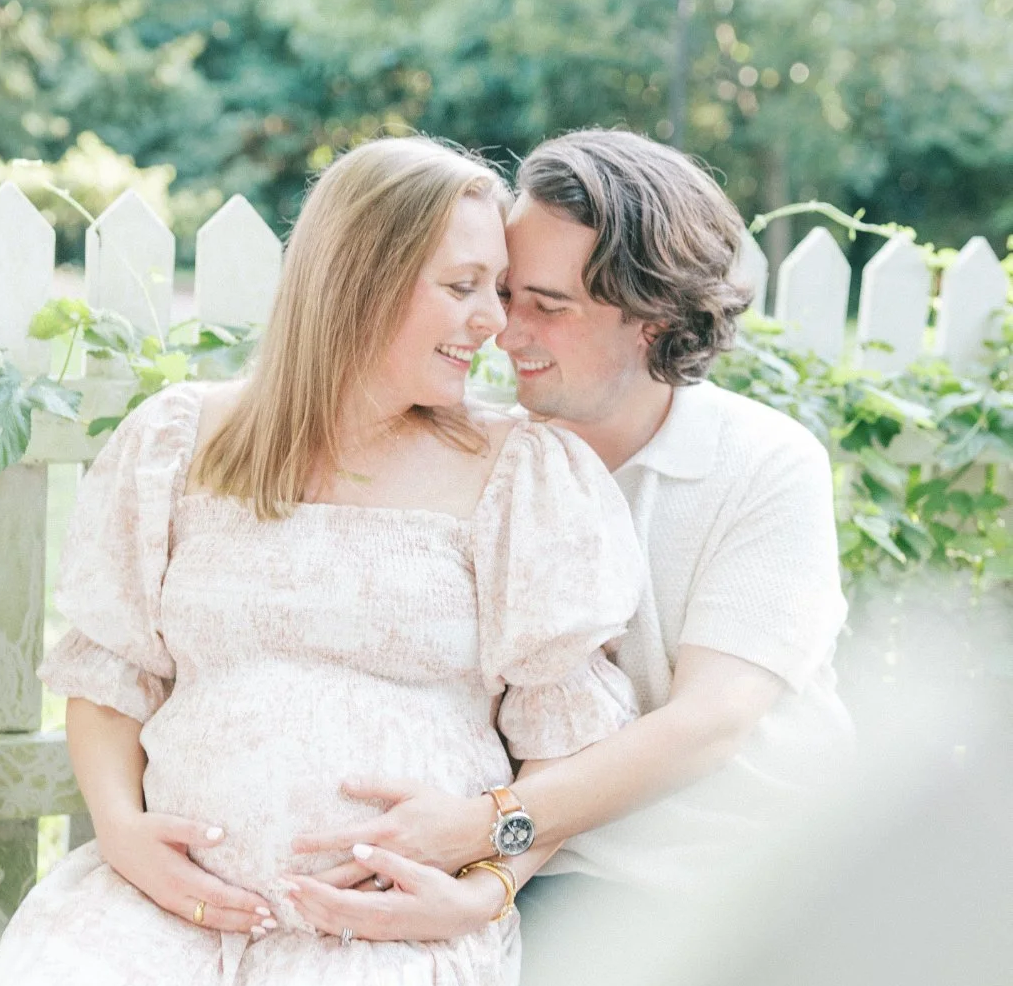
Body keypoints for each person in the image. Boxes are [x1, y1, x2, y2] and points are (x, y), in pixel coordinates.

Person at [0, 136, 644, 986]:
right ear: (359, 273)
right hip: (159, 915)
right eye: (463, 287)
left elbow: (572, 749)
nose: (493, 324)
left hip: (381, 937)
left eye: (502, 291)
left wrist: (485, 883)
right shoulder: (182, 442)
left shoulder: (517, 474)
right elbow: (108, 675)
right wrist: (122, 834)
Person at [277, 128, 852, 937]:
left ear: (655, 316)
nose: (505, 331)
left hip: (750, 878)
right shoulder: (486, 462)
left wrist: (484, 827)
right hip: (551, 877)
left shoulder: (763, 463)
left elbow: (710, 723)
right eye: (505, 294)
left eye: (548, 306)